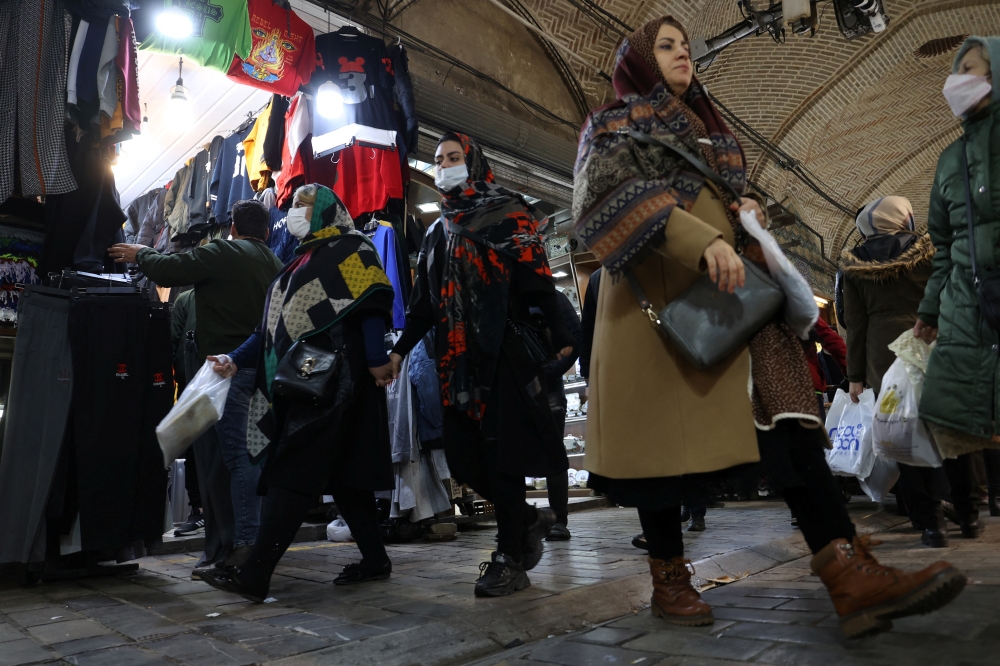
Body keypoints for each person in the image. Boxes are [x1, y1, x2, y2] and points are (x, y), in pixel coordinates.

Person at [572, 15, 965, 639]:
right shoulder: (612, 123)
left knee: (792, 426)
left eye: (685, 46)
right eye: (665, 46)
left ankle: (849, 575)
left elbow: (711, 204)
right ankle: (670, 578)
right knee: (660, 455)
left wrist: (742, 215)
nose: (682, 55)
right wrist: (702, 238)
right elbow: (603, 203)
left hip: (736, 304)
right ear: (640, 62)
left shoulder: (709, 135)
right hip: (662, 314)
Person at [388, 133, 574, 597]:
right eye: (438, 160)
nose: (445, 165)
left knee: (502, 457)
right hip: (457, 363)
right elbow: (422, 307)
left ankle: (510, 556)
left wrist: (568, 342)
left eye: (453, 157)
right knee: (464, 458)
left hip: (506, 357)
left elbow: (541, 288)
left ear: (472, 162)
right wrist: (396, 353)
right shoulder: (436, 232)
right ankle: (527, 519)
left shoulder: (508, 212)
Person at [196, 184, 397, 603]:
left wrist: (378, 358)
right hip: (306, 381)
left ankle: (255, 574)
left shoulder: (353, 247)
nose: (292, 211)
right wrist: (234, 359)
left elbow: (370, 306)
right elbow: (270, 329)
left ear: (325, 210)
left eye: (304, 204)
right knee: (346, 478)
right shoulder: (295, 263)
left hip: (338, 382)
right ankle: (376, 560)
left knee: (293, 469)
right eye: (292, 205)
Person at [111, 200, 283, 570]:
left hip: (224, 370)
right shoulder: (277, 264)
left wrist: (141, 253)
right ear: (267, 232)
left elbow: (173, 269)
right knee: (254, 455)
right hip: (263, 372)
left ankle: (240, 546)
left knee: (228, 460)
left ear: (233, 228)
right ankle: (247, 541)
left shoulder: (225, 251)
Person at [914, 37, 1000, 535]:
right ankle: (962, 512)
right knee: (955, 425)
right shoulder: (949, 160)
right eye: (955, 70)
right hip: (965, 310)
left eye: (969, 67)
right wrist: (929, 311)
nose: (957, 79)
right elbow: (943, 248)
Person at [838, 195, 952, 547]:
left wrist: (855, 375)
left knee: (900, 434)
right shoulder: (930, 253)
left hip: (881, 359)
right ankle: (956, 506)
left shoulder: (853, 267)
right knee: (939, 430)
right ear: (904, 219)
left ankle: (922, 515)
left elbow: (854, 326)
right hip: (929, 348)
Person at [543, 291, 582, 541]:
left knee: (554, 453)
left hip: (548, 388)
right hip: (512, 388)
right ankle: (515, 522)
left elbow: (577, 339)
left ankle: (559, 519)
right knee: (509, 457)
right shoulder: (501, 294)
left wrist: (549, 372)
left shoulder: (554, 298)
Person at [170, 288, 204, 537]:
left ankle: (205, 511)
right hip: (192, 385)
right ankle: (199, 510)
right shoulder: (187, 299)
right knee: (194, 449)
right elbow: (172, 343)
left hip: (220, 383)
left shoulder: (234, 291)